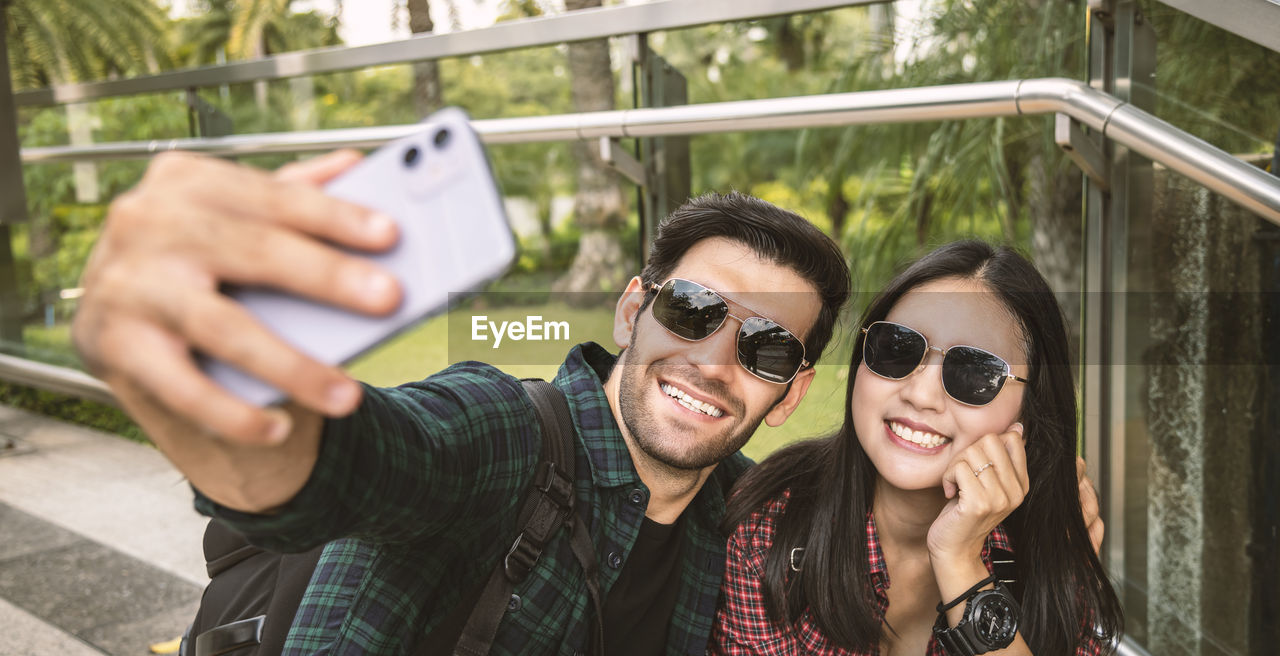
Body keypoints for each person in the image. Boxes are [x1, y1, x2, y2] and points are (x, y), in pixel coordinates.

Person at [71, 148, 852, 655]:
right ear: (630, 312)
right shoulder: (505, 431)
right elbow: (345, 466)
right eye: (691, 309)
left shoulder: (743, 522)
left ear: (792, 394)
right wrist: (206, 378)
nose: (714, 362)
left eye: (768, 349)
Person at [711, 240, 1123, 655]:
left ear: (1030, 415)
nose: (922, 394)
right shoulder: (770, 535)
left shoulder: (1055, 548)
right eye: (898, 348)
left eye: (974, 371)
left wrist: (961, 564)